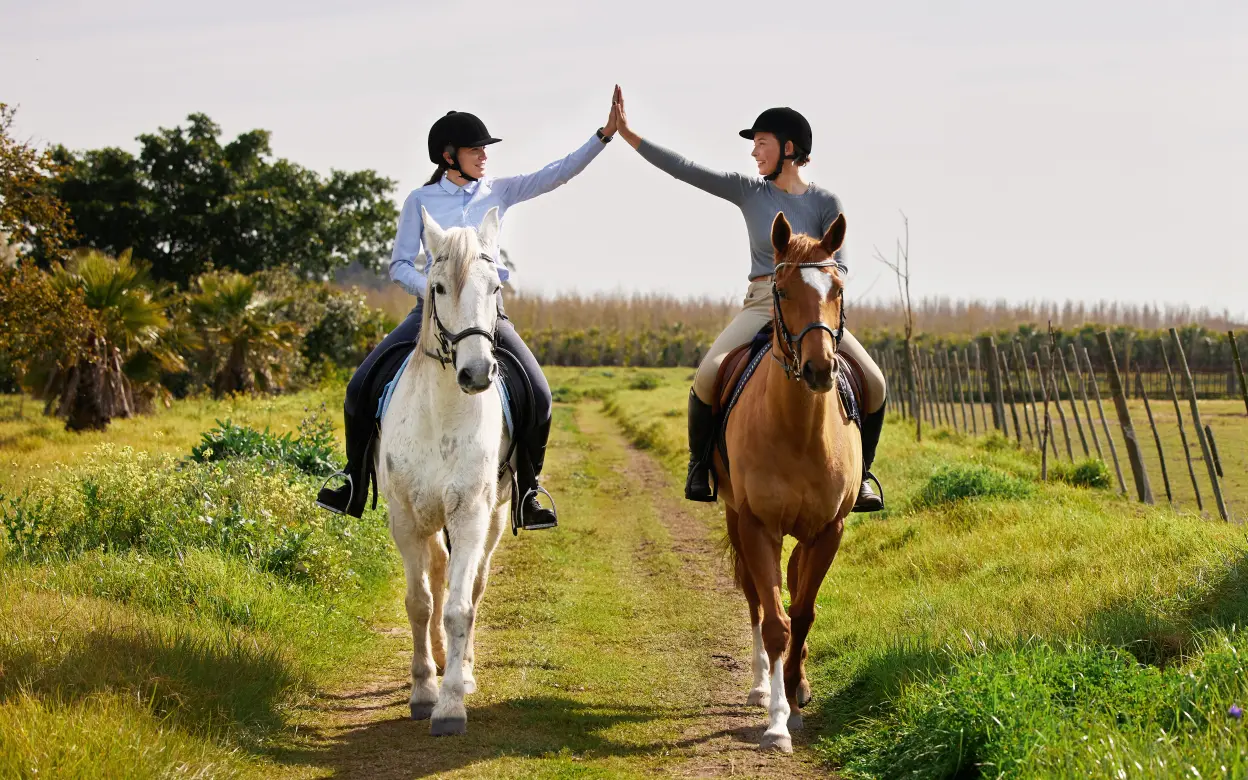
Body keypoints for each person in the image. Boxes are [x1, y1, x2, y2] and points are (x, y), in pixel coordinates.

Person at [317, 89, 620, 525]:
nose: (483, 156)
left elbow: (557, 173)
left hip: (487, 318)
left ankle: (527, 491)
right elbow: (399, 263)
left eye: (484, 149)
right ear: (448, 156)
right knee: (359, 387)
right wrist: (435, 292)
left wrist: (603, 136)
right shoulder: (420, 202)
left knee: (539, 394)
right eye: (475, 149)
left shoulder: (500, 191)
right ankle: (353, 482)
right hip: (430, 315)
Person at [613, 92, 887, 511]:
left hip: (814, 310)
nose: (754, 151)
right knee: (708, 374)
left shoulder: (825, 203)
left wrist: (819, 287)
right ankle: (700, 465)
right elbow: (686, 170)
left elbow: (841, 270)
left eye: (762, 142)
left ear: (789, 149)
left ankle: (862, 474)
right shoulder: (749, 192)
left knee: (875, 383)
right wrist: (630, 136)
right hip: (763, 301)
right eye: (754, 144)